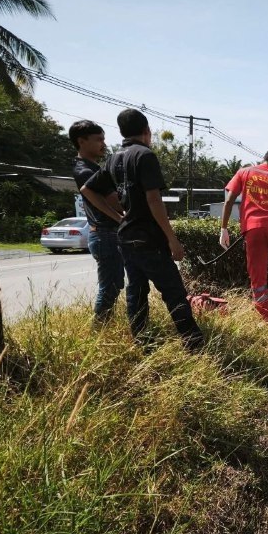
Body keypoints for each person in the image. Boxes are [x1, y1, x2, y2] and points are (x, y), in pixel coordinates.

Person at [81, 108, 204, 351]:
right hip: (149, 238)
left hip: (126, 237)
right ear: (147, 131)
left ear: (122, 131)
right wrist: (172, 239)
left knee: (136, 293)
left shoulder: (113, 158)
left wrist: (118, 217)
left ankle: (141, 343)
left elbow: (87, 189)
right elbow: (154, 200)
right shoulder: (145, 156)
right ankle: (195, 345)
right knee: (173, 292)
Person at [219, 148, 268, 321]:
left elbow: (229, 200)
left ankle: (266, 317)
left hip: (252, 228)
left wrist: (223, 228)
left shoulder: (244, 172)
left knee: (257, 274)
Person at [69, 120, 125, 326]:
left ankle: (104, 324)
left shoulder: (92, 167)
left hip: (107, 233)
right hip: (104, 234)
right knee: (109, 286)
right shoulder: (85, 170)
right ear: (81, 141)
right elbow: (115, 202)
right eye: (98, 139)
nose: (103, 144)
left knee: (115, 283)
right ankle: (99, 328)